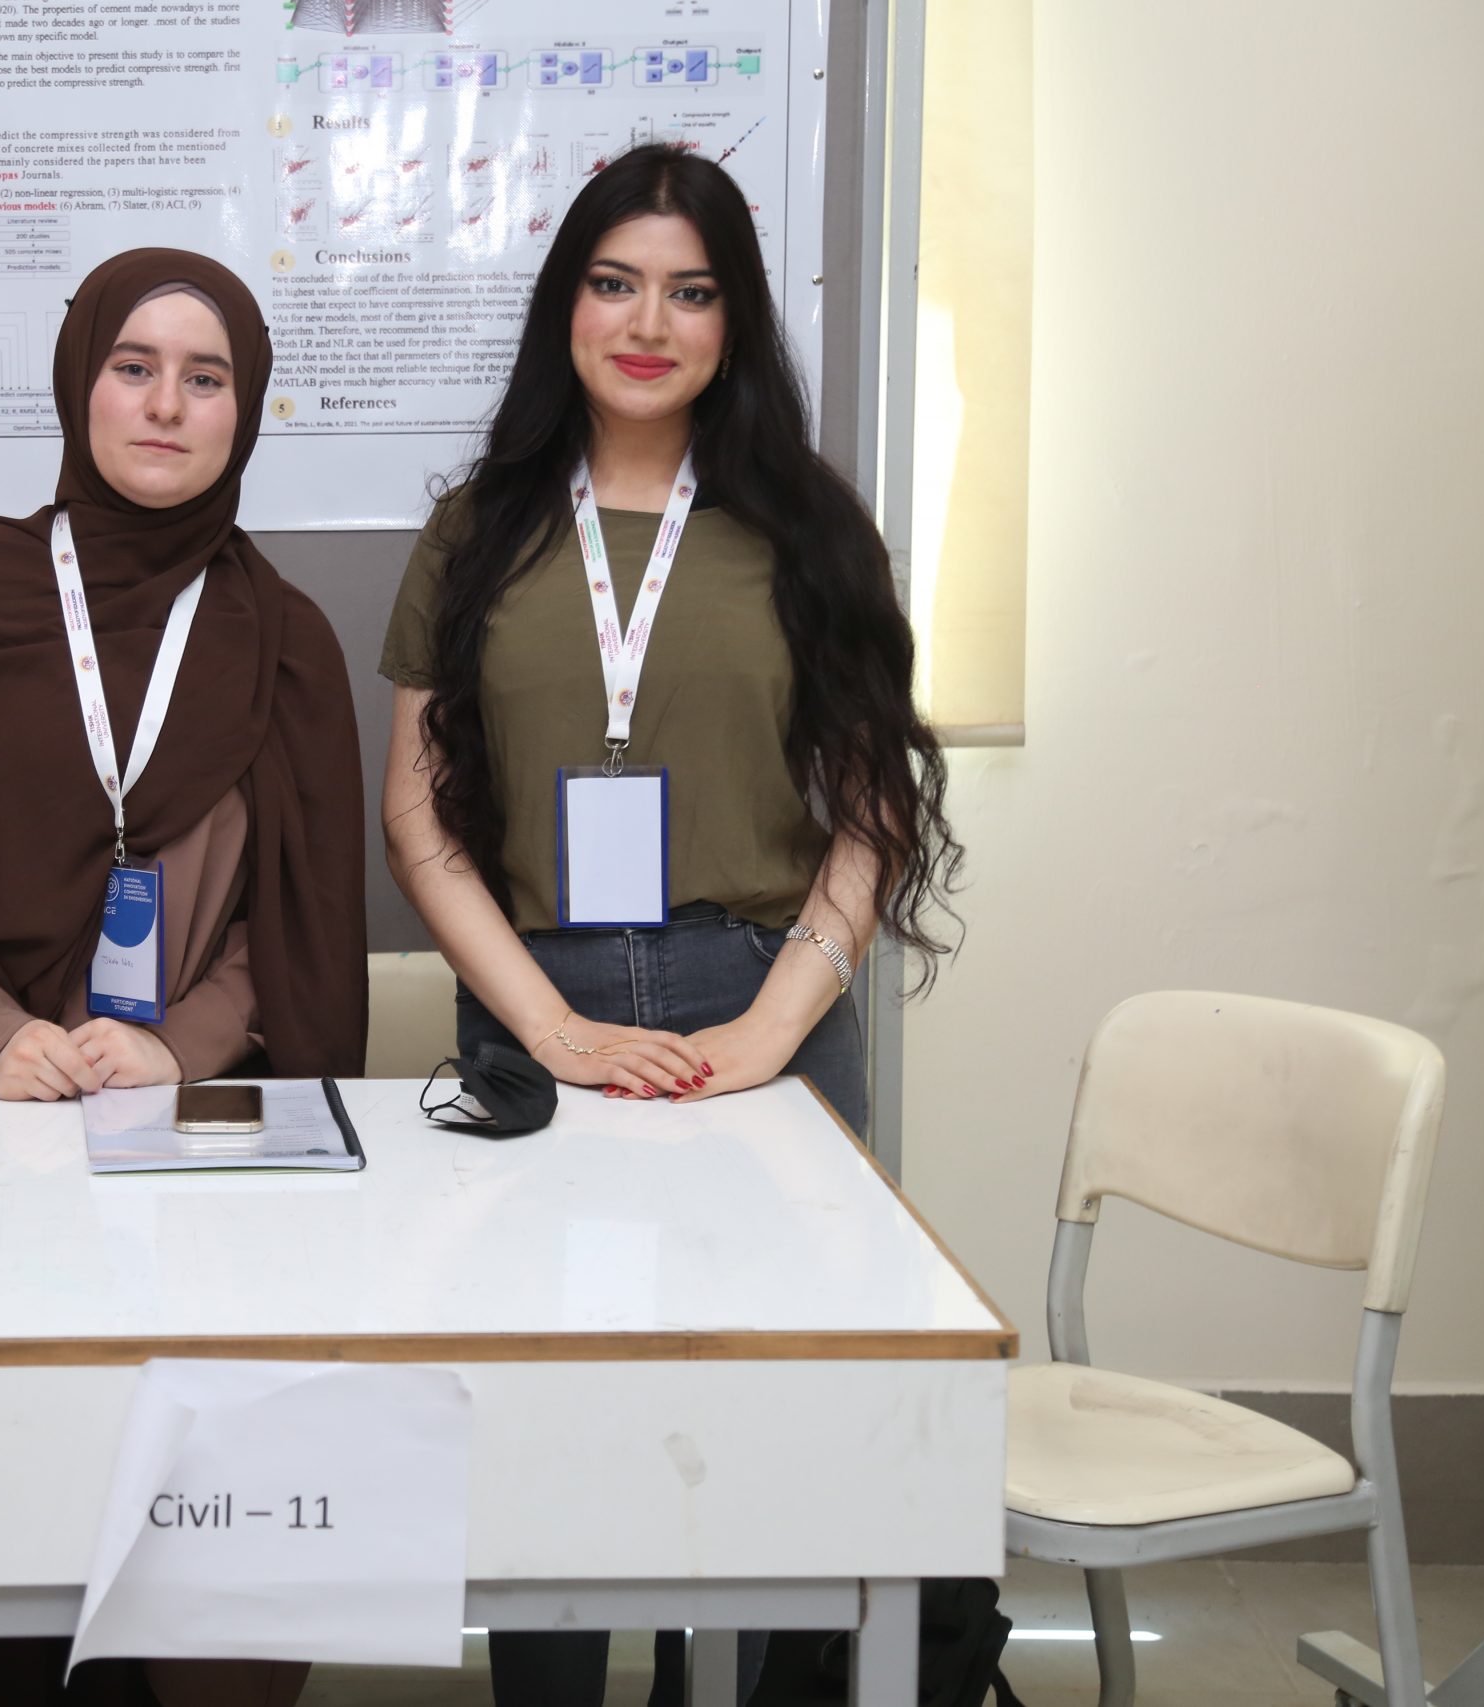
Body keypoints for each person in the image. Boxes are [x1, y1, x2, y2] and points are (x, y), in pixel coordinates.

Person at [377, 144, 963, 1706]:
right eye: (615, 283)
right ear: (566, 304)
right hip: (538, 1005)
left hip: (760, 1004)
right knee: (549, 1427)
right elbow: (419, 820)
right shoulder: (478, 529)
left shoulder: (811, 530)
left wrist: (768, 1031)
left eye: (691, 293)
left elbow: (872, 814)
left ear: (735, 319)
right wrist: (553, 1029)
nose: (649, 324)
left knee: (761, 1429)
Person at [0, 248, 366, 1706]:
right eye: (134, 367)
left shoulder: (283, 645)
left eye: (205, 378)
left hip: (178, 1153)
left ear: (245, 410)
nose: (166, 406)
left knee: (175, 1541)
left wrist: (182, 1043)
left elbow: (292, 934)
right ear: (78, 383)